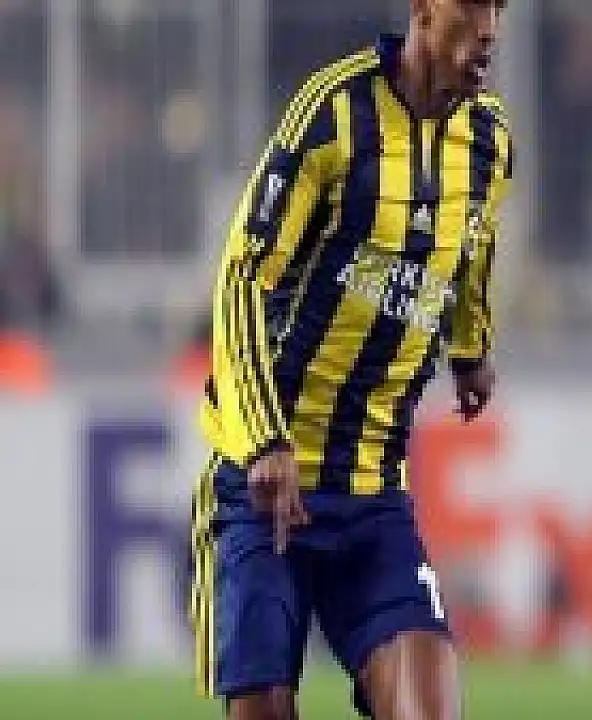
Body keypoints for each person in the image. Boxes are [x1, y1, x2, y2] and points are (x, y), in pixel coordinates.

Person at [188, 1, 513, 718]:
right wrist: (264, 440)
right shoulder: (333, 113)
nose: (489, 27)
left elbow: (474, 245)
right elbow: (243, 274)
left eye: (499, 7)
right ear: (424, 8)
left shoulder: (489, 141)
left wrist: (469, 347)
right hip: (266, 491)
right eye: (471, 6)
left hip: (373, 494)